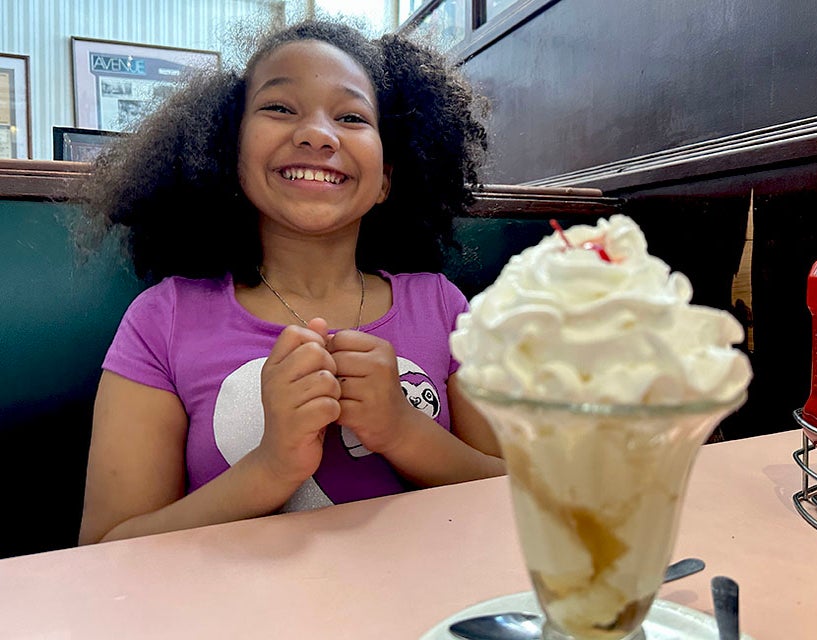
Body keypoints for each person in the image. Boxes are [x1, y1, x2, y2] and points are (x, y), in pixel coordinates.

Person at [76, 18, 504, 545]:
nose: (316, 134)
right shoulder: (161, 320)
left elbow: (516, 498)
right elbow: (104, 546)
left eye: (350, 116)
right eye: (279, 108)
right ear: (229, 154)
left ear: (387, 178)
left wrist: (402, 431)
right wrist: (272, 467)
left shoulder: (443, 306)